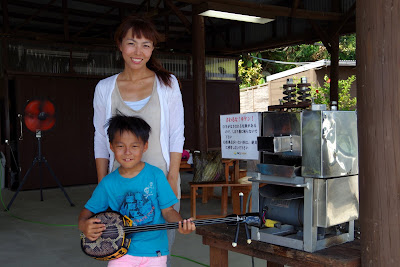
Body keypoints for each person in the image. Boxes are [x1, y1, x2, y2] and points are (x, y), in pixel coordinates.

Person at [92, 16, 184, 265]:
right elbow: (101, 139)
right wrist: (102, 183)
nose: (138, 52)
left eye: (146, 44)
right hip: (119, 184)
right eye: (131, 43)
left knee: (157, 253)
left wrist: (172, 178)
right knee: (119, 252)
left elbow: (177, 133)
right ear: (120, 45)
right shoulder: (105, 88)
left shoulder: (167, 84)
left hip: (161, 182)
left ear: (153, 48)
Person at [79, 115, 195, 267]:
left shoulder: (156, 175)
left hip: (155, 252)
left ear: (144, 146)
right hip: (120, 252)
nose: (127, 152)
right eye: (121, 146)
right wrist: (84, 226)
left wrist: (181, 224)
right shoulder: (108, 183)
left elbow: (167, 211)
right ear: (111, 146)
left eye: (134, 146)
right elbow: (87, 213)